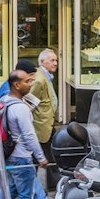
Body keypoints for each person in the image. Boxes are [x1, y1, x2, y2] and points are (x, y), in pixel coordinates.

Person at [0, 67, 43, 199]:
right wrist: (41, 157)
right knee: (26, 195)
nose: (30, 83)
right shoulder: (20, 108)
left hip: (8, 155)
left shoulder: (5, 101)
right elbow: (29, 135)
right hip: (21, 157)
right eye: (27, 81)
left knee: (11, 190)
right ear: (16, 85)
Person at [32, 48, 60, 189]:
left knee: (50, 154)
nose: (55, 63)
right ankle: (29, 186)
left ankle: (53, 183)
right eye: (52, 61)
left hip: (47, 124)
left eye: (56, 60)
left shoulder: (46, 76)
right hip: (41, 125)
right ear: (42, 62)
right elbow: (29, 102)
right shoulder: (39, 79)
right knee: (38, 157)